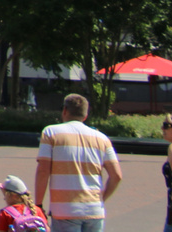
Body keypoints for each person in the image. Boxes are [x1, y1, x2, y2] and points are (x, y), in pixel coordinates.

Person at [34, 92, 122, 232]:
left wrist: (38, 204)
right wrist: (100, 199)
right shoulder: (102, 138)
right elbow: (117, 176)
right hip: (94, 210)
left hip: (65, 210)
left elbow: (43, 171)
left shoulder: (51, 133)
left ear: (64, 110)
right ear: (85, 115)